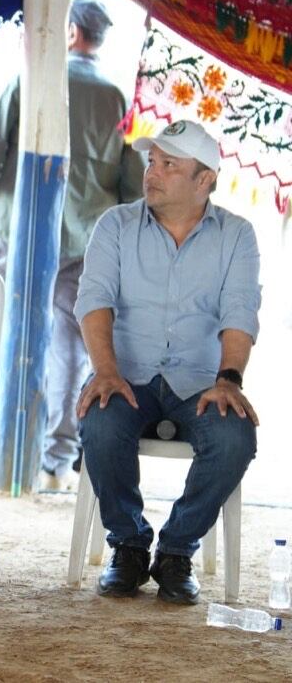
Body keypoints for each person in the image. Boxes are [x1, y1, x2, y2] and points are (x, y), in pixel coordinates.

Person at [0, 0, 145, 488]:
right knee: (71, 347)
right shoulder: (116, 96)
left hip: (16, 229)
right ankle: (58, 463)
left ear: (72, 31)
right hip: (85, 237)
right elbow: (130, 177)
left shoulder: (28, 79)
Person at [76, 121, 259, 604]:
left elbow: (240, 311)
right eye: (152, 161)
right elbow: (94, 299)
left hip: (200, 383)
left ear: (204, 180)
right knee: (100, 421)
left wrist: (229, 380)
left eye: (168, 165)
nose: (151, 172)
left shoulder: (236, 235)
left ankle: (176, 551)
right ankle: (128, 545)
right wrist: (105, 370)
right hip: (125, 375)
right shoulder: (115, 225)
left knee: (234, 436)